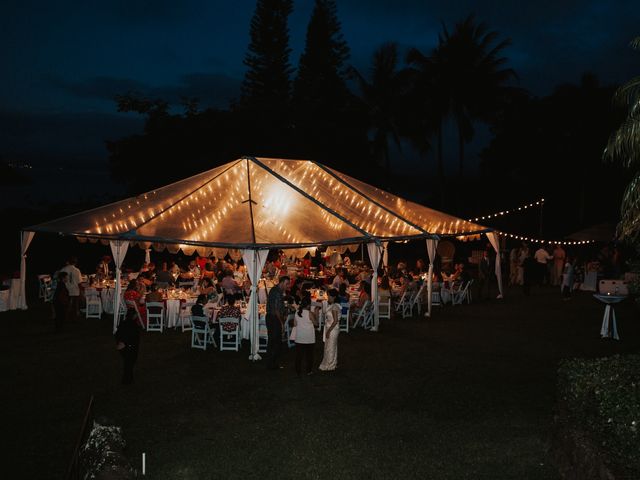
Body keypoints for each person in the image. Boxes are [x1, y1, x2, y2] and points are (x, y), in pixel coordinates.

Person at [265, 276, 290, 370]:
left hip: (273, 318)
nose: (288, 286)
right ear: (282, 282)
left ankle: (272, 363)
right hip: (274, 319)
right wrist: (282, 323)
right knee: (275, 342)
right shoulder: (276, 292)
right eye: (287, 284)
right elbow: (275, 310)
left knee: (274, 342)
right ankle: (272, 364)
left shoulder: (278, 291)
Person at [292, 294, 317, 376]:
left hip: (299, 337)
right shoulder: (309, 313)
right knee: (309, 356)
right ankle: (308, 371)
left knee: (299, 356)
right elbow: (316, 323)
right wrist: (316, 314)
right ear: (309, 305)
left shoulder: (297, 312)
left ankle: (298, 371)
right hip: (309, 337)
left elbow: (295, 324)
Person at [115, 308, 141, 385]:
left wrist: (119, 342)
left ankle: (128, 379)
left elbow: (117, 334)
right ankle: (127, 380)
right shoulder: (134, 325)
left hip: (125, 346)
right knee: (129, 363)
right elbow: (133, 337)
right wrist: (125, 343)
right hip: (130, 347)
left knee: (127, 363)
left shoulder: (123, 323)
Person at [319, 289, 341, 371]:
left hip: (332, 329)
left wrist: (328, 331)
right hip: (330, 327)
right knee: (330, 346)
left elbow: (335, 321)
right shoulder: (333, 305)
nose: (328, 297)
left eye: (329, 296)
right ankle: (332, 363)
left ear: (334, 297)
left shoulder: (334, 307)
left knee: (330, 347)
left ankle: (330, 365)